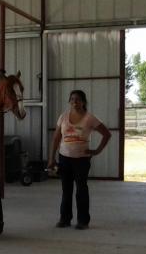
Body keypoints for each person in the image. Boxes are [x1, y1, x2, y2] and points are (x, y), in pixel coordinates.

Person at [47, 90, 111, 229]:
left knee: (81, 189)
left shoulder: (90, 118)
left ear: (83, 102)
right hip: (64, 159)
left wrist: (97, 151)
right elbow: (56, 138)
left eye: (78, 99)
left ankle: (83, 221)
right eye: (72, 99)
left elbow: (106, 134)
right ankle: (65, 219)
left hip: (81, 160)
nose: (75, 102)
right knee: (66, 190)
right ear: (69, 101)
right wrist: (51, 158)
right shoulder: (63, 117)